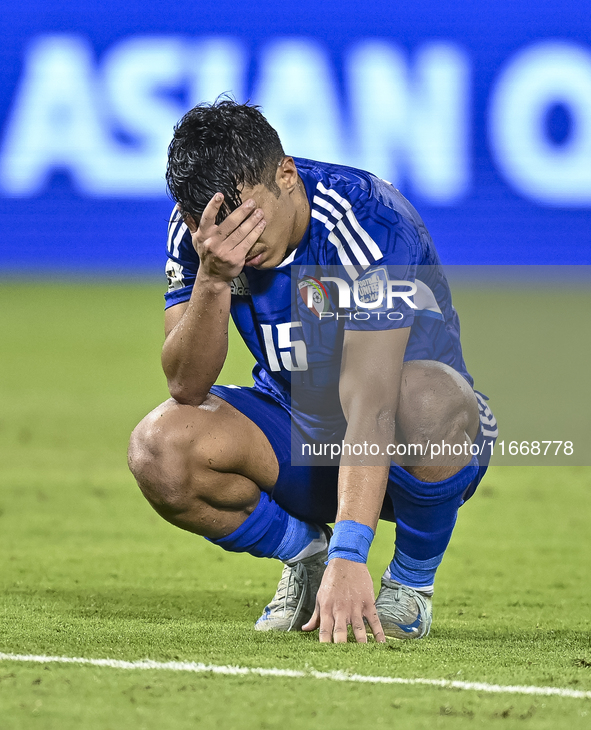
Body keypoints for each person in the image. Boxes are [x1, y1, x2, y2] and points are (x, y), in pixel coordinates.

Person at [128, 99, 498, 644]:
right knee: (158, 448)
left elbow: (372, 404)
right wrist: (211, 278)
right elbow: (186, 384)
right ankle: (306, 555)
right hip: (297, 429)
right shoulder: (203, 231)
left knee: (424, 400)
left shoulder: (369, 222)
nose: (239, 241)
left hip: (413, 445)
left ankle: (410, 584)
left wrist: (356, 553)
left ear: (286, 174)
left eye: (250, 218)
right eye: (217, 228)